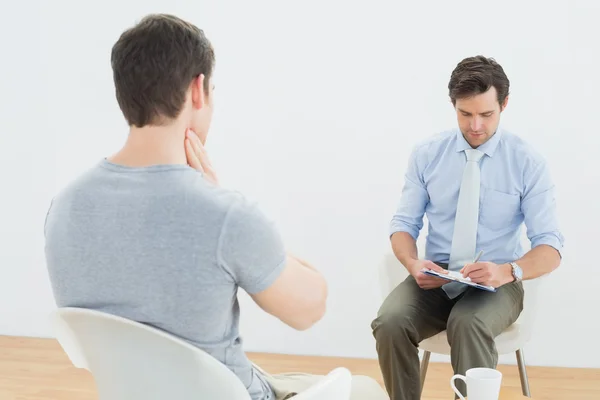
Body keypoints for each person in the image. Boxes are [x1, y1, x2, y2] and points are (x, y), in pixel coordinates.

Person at [44, 13, 387, 400]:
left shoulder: (63, 209)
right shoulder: (224, 215)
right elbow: (309, 308)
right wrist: (223, 202)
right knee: (365, 389)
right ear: (198, 90)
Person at [371, 55, 564, 400]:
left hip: (497, 283)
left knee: (468, 322)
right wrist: (413, 264)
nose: (475, 125)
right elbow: (403, 224)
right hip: (438, 278)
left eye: (486, 114)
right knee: (390, 321)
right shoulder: (428, 154)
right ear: (453, 105)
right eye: (465, 113)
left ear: (504, 104)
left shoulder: (526, 162)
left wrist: (508, 271)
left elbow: (550, 247)